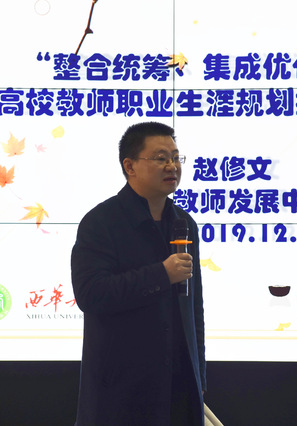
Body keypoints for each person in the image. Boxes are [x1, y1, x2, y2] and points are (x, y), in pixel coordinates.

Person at [71, 122, 206, 425]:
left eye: (176, 157)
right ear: (129, 166)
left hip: (180, 389)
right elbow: (91, 294)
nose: (172, 166)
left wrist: (199, 379)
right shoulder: (101, 222)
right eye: (160, 158)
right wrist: (161, 275)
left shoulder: (184, 223)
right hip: (122, 392)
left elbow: (193, 310)